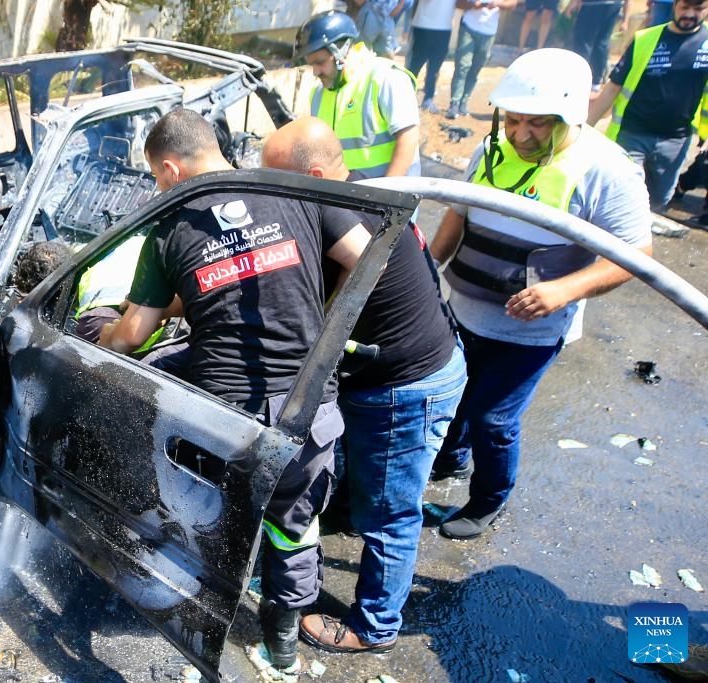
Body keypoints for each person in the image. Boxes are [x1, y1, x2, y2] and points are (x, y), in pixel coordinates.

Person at [98, 108, 370, 671]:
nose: (158, 187)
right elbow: (367, 256)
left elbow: (129, 337)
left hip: (229, 418)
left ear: (170, 170)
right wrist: (320, 318)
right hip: (307, 403)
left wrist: (96, 326)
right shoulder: (294, 190)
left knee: (212, 512)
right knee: (295, 520)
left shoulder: (170, 230)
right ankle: (282, 645)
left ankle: (199, 622)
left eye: (155, 177)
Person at [261, 117, 467, 654]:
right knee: (377, 492)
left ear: (310, 174)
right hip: (417, 367)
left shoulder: (336, 215)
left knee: (391, 514)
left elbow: (359, 267)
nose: (267, 191)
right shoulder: (365, 194)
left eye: (272, 178)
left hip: (406, 388)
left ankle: (375, 628)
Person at [429, 48, 653, 540]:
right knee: (456, 398)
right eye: (513, 120)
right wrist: (427, 271)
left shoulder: (607, 170)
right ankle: (450, 461)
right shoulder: (489, 150)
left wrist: (563, 291)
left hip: (531, 331)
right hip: (465, 310)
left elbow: (637, 254)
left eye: (538, 124)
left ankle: (489, 500)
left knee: (494, 417)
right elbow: (457, 216)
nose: (521, 135)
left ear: (570, 116)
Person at [587, 0, 708, 217]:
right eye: (684, 8)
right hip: (633, 133)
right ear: (674, 5)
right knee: (619, 193)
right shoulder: (646, 39)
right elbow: (613, 88)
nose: (690, 14)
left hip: (675, 140)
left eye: (698, 9)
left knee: (659, 200)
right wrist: (584, 130)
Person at [293, 10, 422, 178]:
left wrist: (387, 198)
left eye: (320, 62)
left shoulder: (387, 78)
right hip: (349, 199)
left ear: (342, 51)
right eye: (311, 65)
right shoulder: (318, 94)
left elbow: (408, 138)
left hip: (391, 198)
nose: (315, 72)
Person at [446, 0, 517, 120]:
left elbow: (512, 4)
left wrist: (497, 4)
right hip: (469, 26)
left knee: (476, 68)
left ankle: (464, 101)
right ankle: (454, 102)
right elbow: (458, 4)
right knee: (463, 65)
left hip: (489, 32)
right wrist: (472, 4)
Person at [406, 0, 458, 113]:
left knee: (434, 68)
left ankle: (428, 99)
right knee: (414, 66)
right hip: (423, 25)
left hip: (444, 28)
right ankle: (405, 97)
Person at [565, 0, 628, 91]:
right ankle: (596, 81)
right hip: (614, 5)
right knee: (601, 43)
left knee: (583, 43)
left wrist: (573, 3)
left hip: (593, 5)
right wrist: (626, 19)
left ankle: (579, 80)